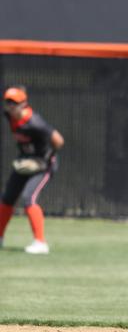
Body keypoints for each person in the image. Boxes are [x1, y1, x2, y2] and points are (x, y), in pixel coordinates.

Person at [0, 86, 64, 254]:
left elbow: (58, 140)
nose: (10, 106)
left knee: (30, 198)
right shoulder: (9, 116)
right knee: (7, 198)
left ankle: (40, 243)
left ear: (24, 104)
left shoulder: (34, 122)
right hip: (25, 162)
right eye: (8, 102)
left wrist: (48, 157)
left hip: (43, 165)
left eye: (14, 103)